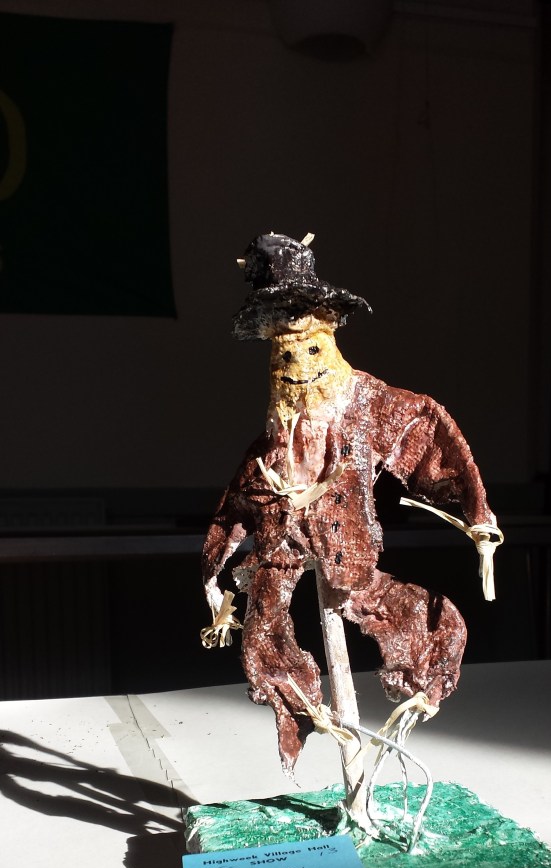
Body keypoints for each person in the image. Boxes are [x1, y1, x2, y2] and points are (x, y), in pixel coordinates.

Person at [201, 232, 500, 775]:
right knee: (265, 636)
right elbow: (238, 502)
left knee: (424, 620)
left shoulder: (367, 403)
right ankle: (312, 717)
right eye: (284, 351)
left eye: (311, 347)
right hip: (281, 554)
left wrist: (477, 519)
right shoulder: (271, 439)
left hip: (348, 554)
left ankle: (407, 705)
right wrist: (215, 576)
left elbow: (426, 430)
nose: (298, 363)